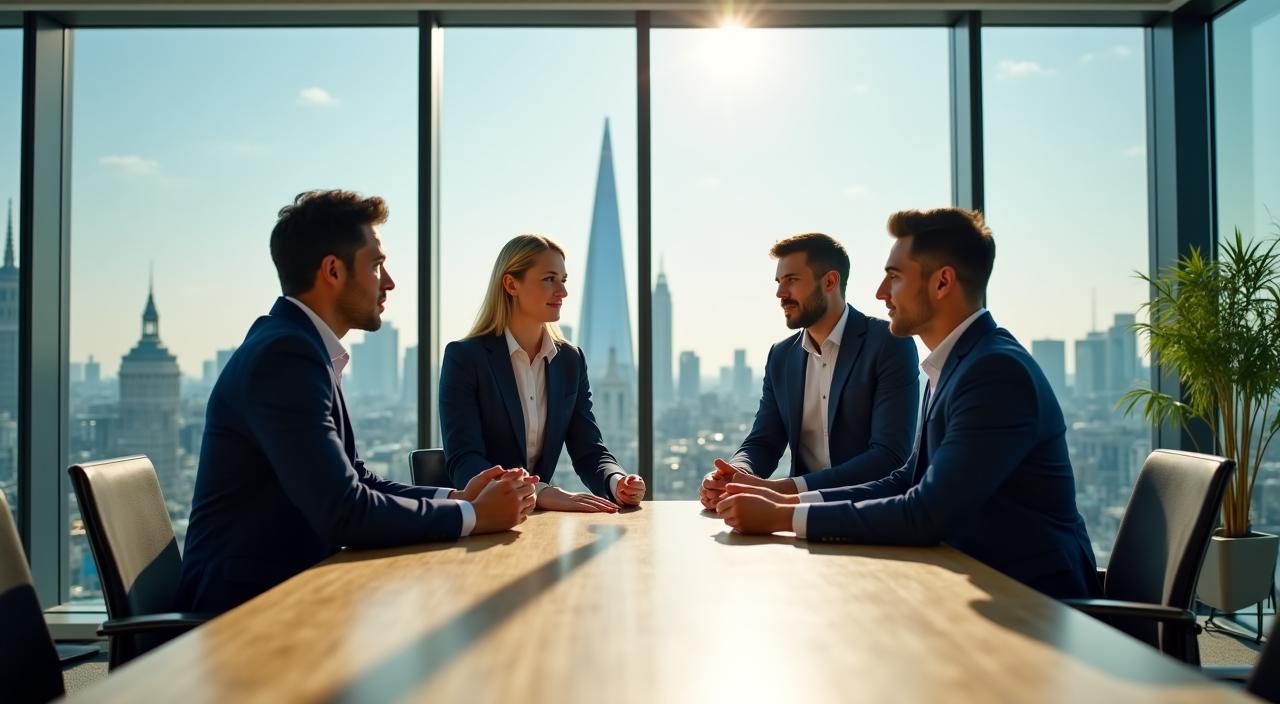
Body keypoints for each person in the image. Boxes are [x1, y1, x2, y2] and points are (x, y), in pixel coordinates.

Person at [178, 190, 536, 614]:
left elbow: (357, 479)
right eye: (376, 265)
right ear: (333, 270)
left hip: (290, 592)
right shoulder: (285, 356)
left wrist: (459, 498)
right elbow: (345, 510)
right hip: (242, 613)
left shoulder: (298, 346)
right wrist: (475, 517)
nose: (389, 282)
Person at [717, 209, 1101, 600]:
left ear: (942, 282)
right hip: (977, 582)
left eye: (895, 276)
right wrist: (786, 499)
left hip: (1034, 599)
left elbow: (926, 511)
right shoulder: (957, 364)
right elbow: (907, 478)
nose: (881, 292)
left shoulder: (994, 372)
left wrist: (783, 514)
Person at [699, 233, 919, 509]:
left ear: (830, 281)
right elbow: (764, 441)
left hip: (869, 513)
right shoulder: (781, 356)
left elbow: (889, 457)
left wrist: (783, 491)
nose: (780, 293)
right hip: (797, 518)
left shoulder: (889, 343)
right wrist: (735, 475)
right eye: (779, 282)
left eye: (791, 280)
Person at [440, 235, 646, 512]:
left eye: (564, 280)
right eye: (550, 279)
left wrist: (617, 481)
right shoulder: (465, 358)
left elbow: (588, 449)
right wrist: (540, 492)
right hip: (479, 518)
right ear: (511, 284)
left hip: (538, 522)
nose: (562, 291)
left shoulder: (570, 360)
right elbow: (465, 461)